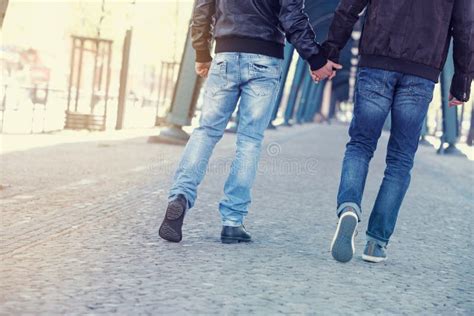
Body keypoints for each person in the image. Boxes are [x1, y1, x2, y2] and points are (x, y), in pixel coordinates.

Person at [159, 0, 341, 243]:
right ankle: (232, 221)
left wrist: (202, 51)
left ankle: (180, 196)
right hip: (265, 59)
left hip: (225, 53)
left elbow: (203, 7)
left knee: (206, 132)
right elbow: (292, 17)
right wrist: (316, 60)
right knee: (249, 141)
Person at [324, 0, 473, 263]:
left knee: (360, 145)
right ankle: (376, 243)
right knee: (401, 159)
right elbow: (465, 27)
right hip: (421, 71)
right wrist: (462, 81)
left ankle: (349, 207)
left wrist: (332, 49)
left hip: (376, 62)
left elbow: (349, 7)